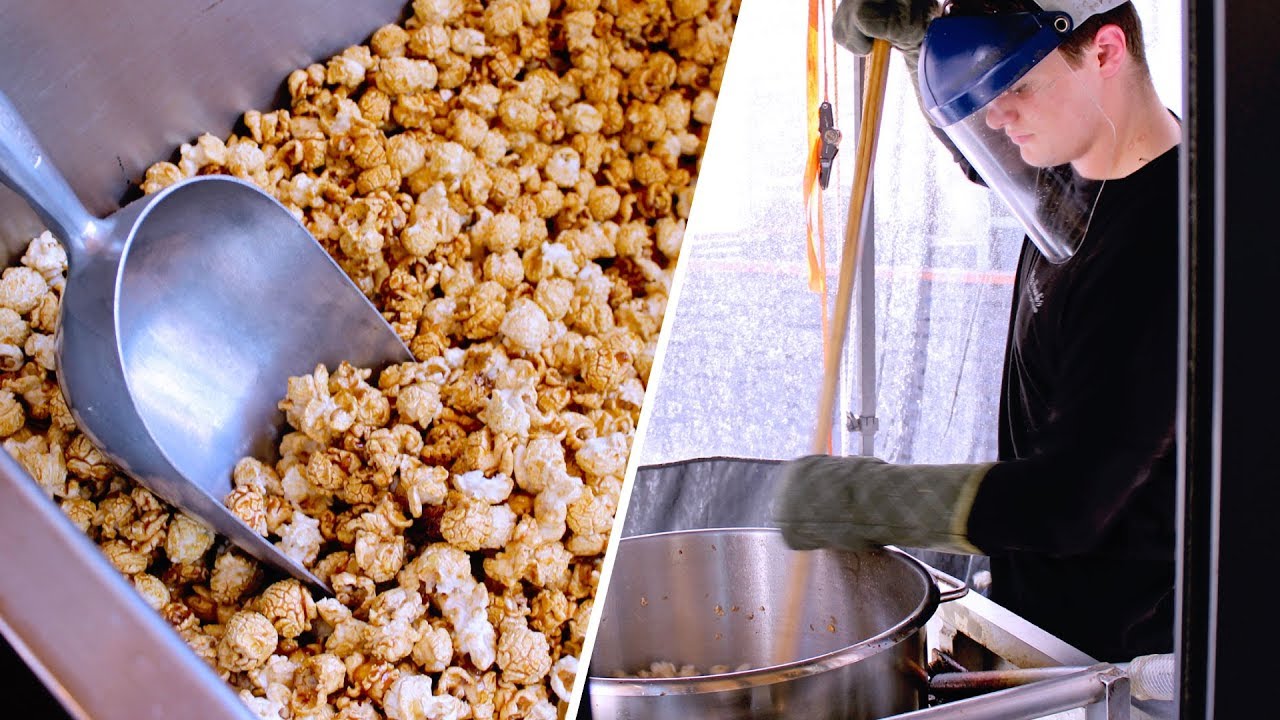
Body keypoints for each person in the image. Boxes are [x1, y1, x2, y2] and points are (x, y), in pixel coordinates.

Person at [774, 0, 1182, 664]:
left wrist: (859, 498)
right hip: (1038, 621)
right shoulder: (1088, 159)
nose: (995, 114)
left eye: (1015, 84)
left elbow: (1070, 502)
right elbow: (988, 157)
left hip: (1115, 664)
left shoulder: (1164, 244)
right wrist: (919, 48)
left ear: (1106, 51)